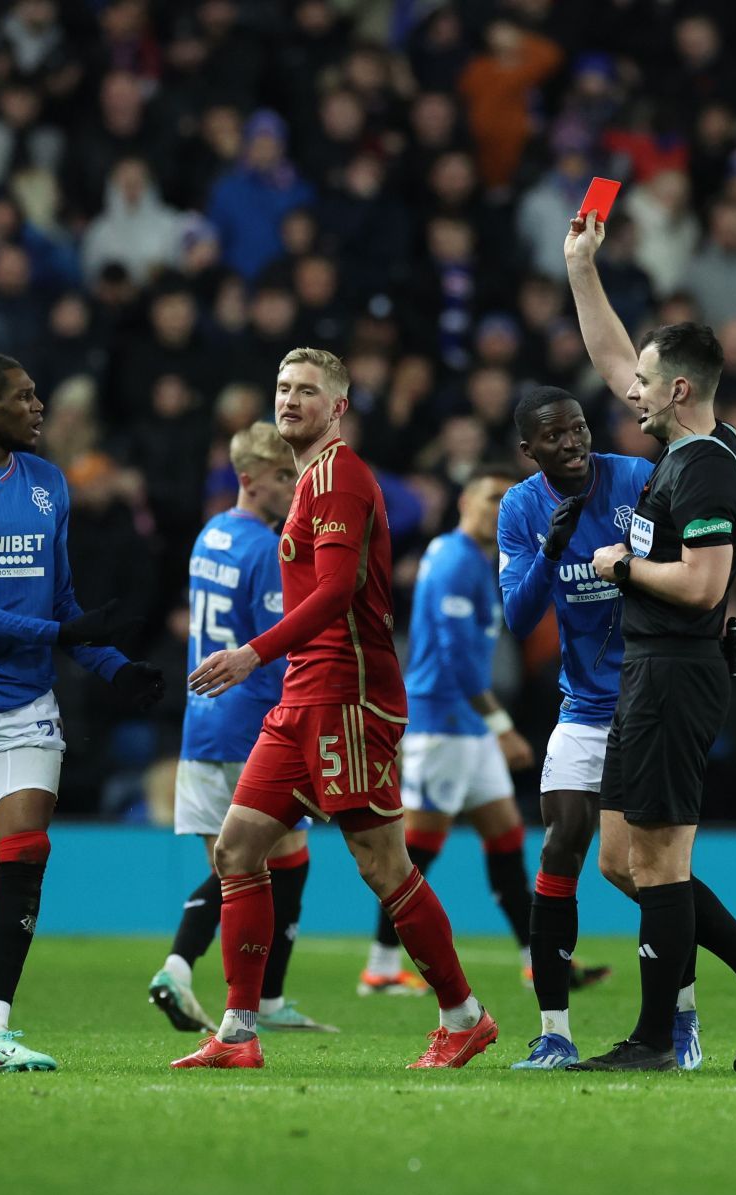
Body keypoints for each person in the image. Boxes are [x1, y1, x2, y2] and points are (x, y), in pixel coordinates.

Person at [174, 348, 495, 1070]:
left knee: (383, 864)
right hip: (303, 697)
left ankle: (464, 1016)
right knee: (237, 850)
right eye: (283, 387)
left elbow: (336, 590)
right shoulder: (311, 481)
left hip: (347, 696)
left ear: (338, 407)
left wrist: (253, 653)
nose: (290, 399)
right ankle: (237, 1033)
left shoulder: (341, 477)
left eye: (307, 391)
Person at [561, 209, 736, 1071]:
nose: (631, 388)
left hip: (678, 667)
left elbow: (704, 584)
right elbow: (611, 358)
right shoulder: (685, 449)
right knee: (622, 861)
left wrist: (618, 569)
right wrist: (582, 269)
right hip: (646, 668)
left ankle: (653, 1040)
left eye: (648, 380)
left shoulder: (705, 467)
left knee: (661, 858)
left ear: (679, 391)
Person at [0, 352, 165, 1072]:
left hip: (24, 695)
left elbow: (62, 606)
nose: (39, 406)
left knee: (26, 851)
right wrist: (58, 638)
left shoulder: (49, 485)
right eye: (25, 397)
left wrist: (113, 668)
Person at [148, 421, 334, 1037]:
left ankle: (251, 993)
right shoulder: (263, 549)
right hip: (252, 723)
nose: (293, 485)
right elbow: (275, 649)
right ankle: (204, 979)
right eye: (284, 476)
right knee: (256, 864)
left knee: (265, 861)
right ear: (248, 479)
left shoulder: (210, 537)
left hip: (201, 724)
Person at [498, 386, 663, 1070]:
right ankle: (555, 1032)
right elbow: (517, 616)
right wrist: (551, 549)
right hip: (585, 706)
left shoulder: (638, 479)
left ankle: (677, 1022)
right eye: (555, 435)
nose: (572, 442)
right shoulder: (521, 507)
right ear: (528, 450)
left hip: (651, 700)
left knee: (649, 869)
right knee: (561, 843)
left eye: (579, 428)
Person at [358, 466, 541, 994]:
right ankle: (381, 967)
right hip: (445, 725)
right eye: (490, 497)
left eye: (508, 500)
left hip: (467, 729)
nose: (498, 508)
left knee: (505, 836)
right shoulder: (458, 562)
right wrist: (502, 726)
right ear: (465, 501)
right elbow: (459, 662)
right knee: (417, 849)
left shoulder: (473, 562)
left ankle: (539, 959)